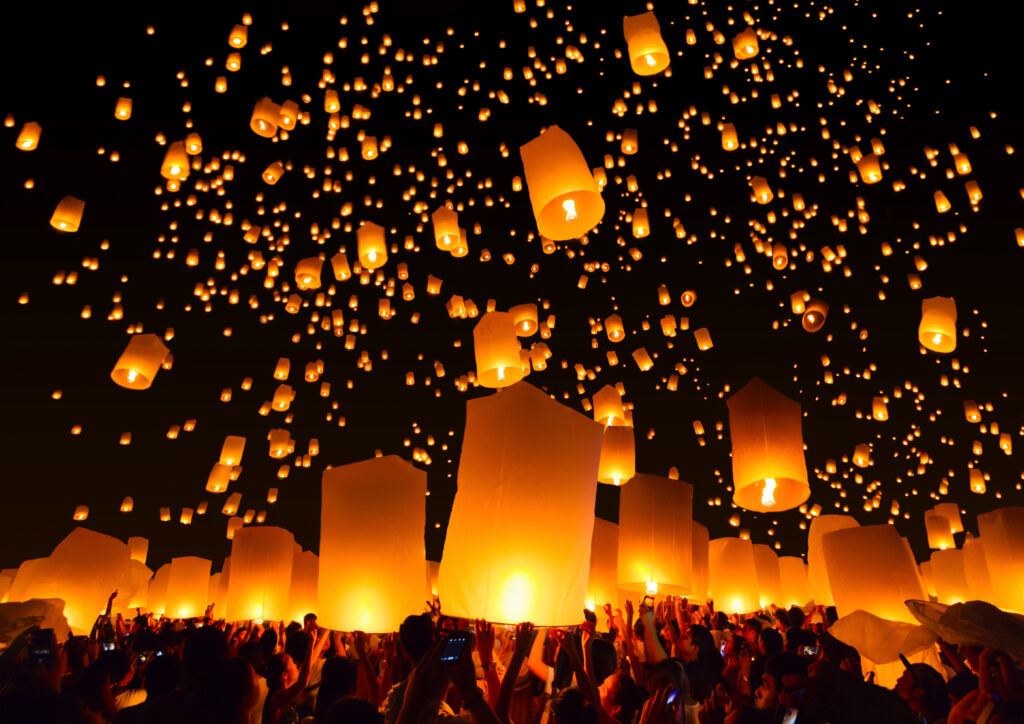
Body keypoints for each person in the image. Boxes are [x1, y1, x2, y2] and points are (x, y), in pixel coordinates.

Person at [263, 627, 329, 724]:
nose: (296, 666)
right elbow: (303, 682)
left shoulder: (289, 687)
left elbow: (311, 661)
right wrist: (311, 643)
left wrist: (326, 631)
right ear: (284, 675)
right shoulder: (276, 697)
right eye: (292, 664)